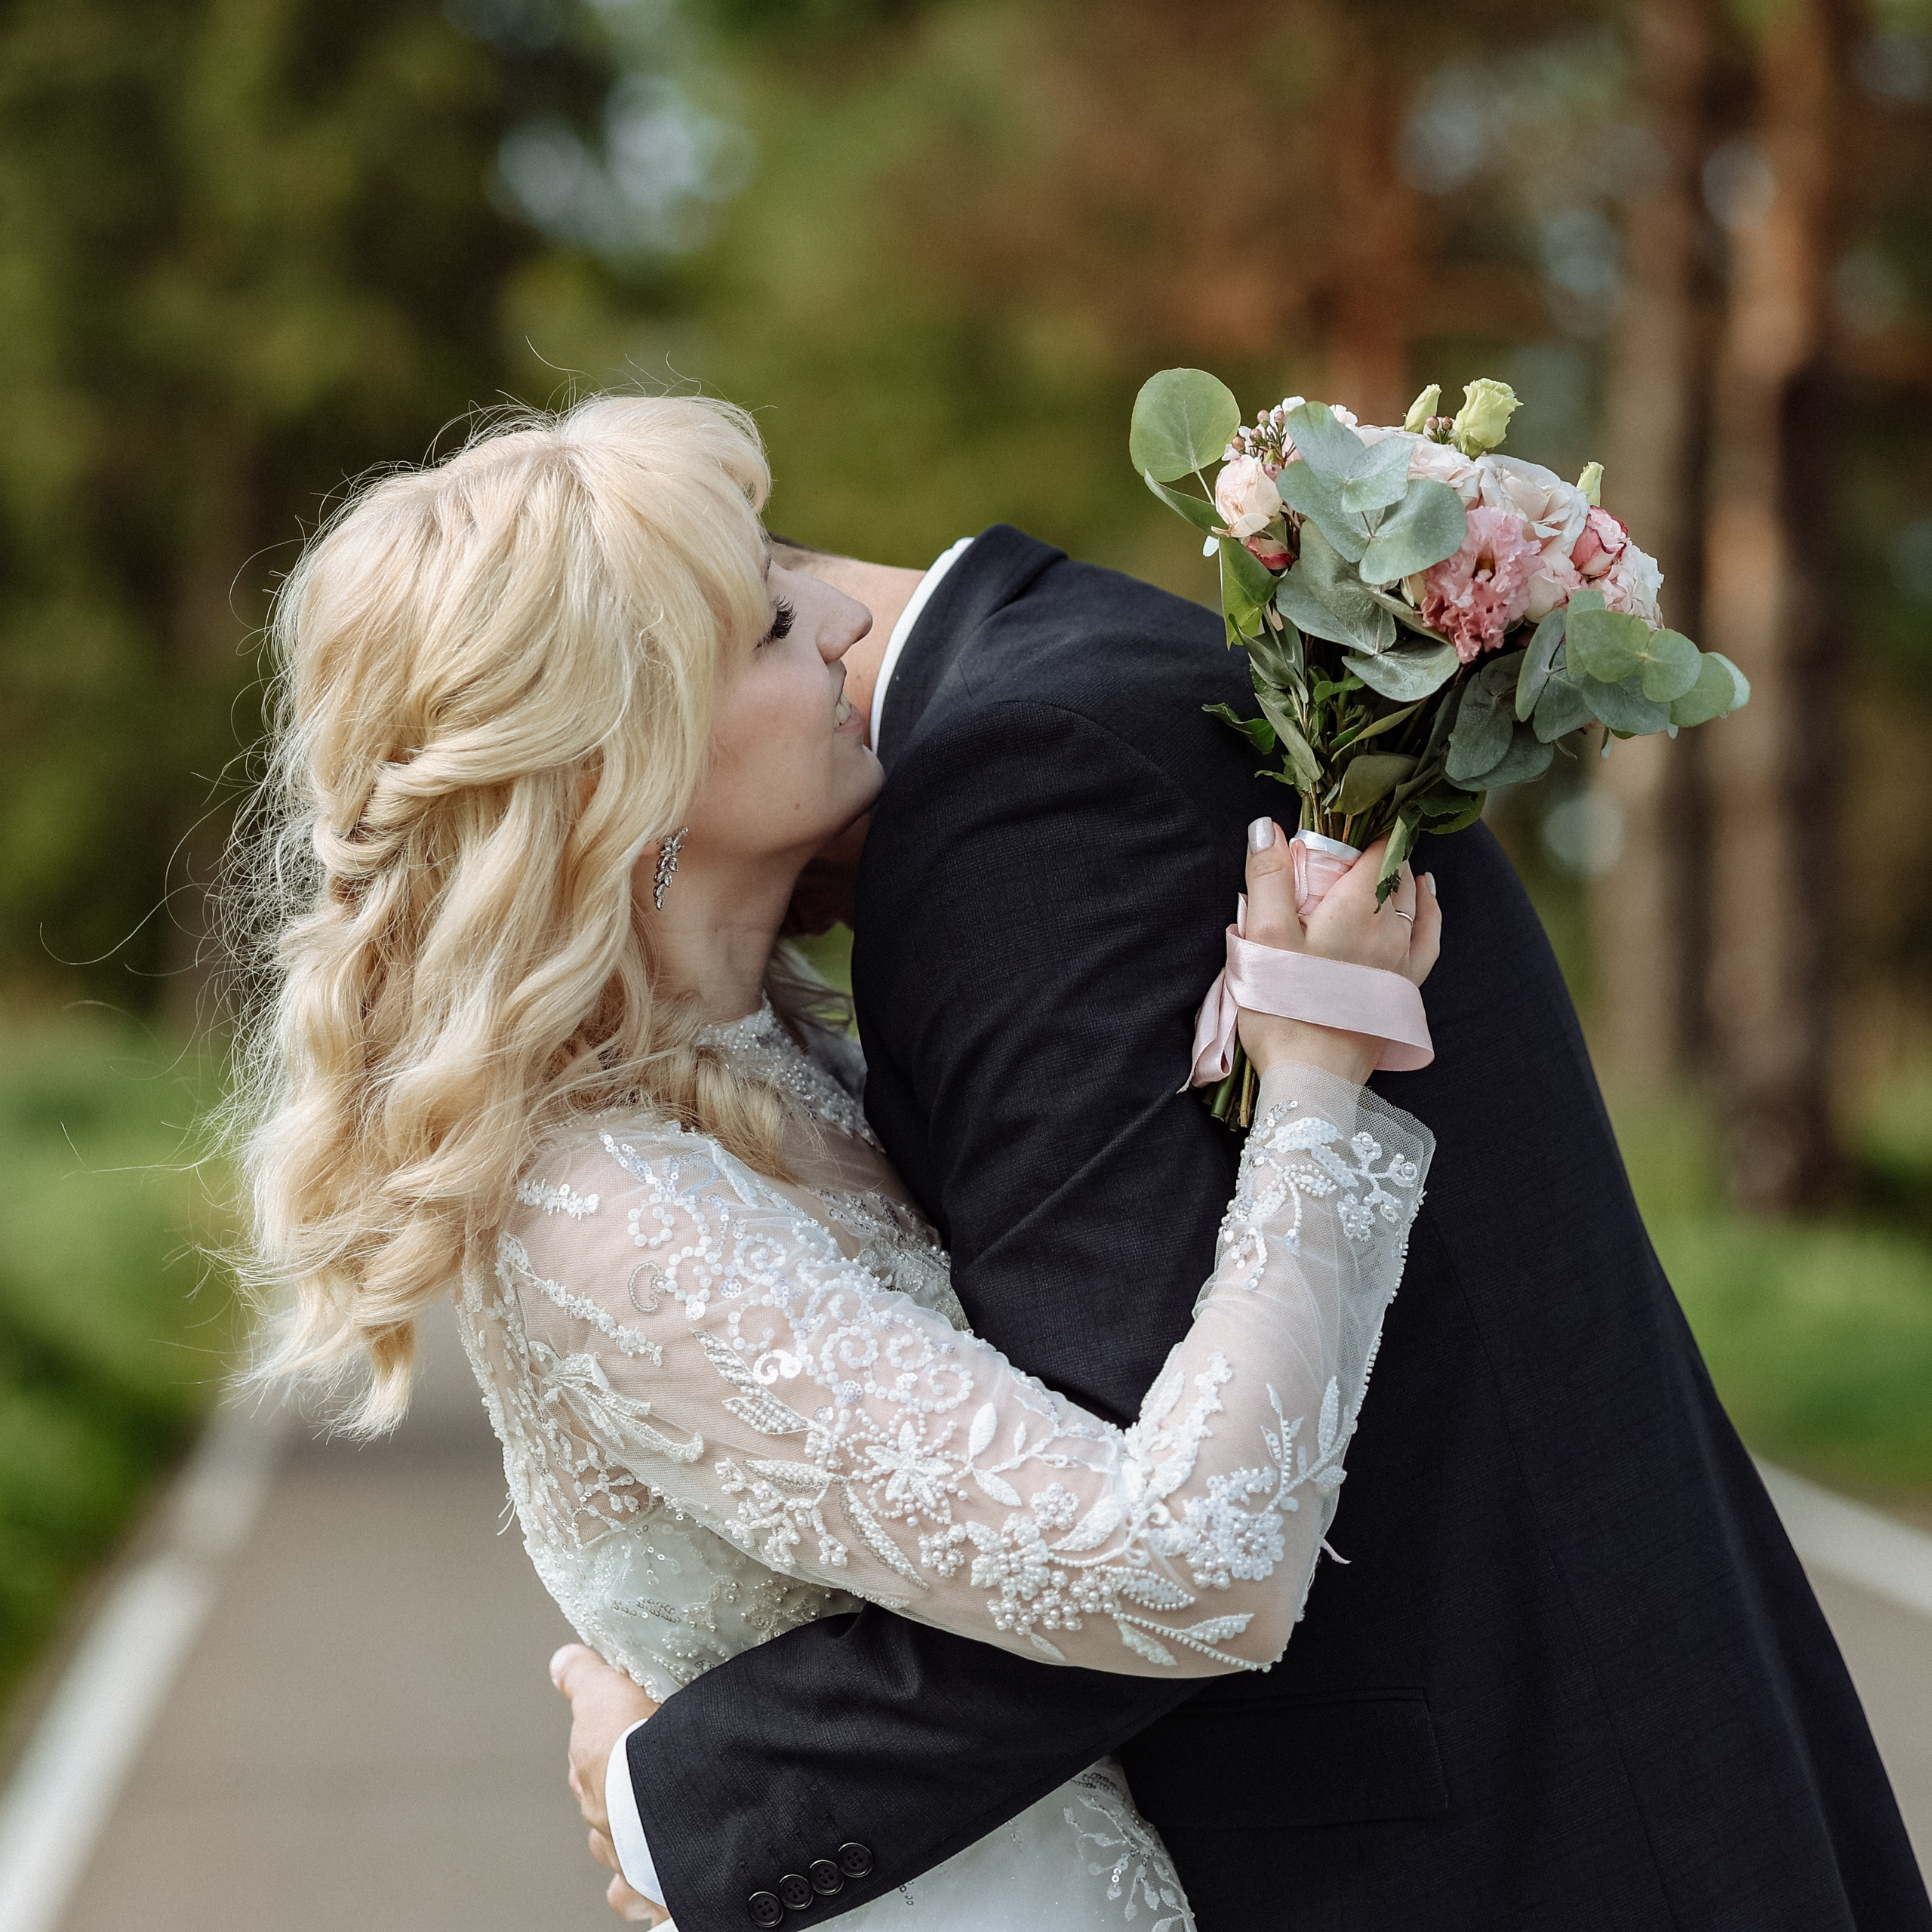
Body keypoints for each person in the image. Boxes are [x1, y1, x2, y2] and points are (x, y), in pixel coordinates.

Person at [553, 478, 1932, 1924]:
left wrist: (695, 1802)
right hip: (1620, 1760)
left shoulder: (1018, 790)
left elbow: (1135, 1503)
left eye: (780, 612)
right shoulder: (1117, 660)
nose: (828, 635)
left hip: (1465, 1847)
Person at [232, 393, 1444, 1932]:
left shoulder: (794, 1076)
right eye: (755, 624)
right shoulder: (600, 1208)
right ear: (622, 771)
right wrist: (1314, 1094)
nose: (833, 617)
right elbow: (1188, 1566)